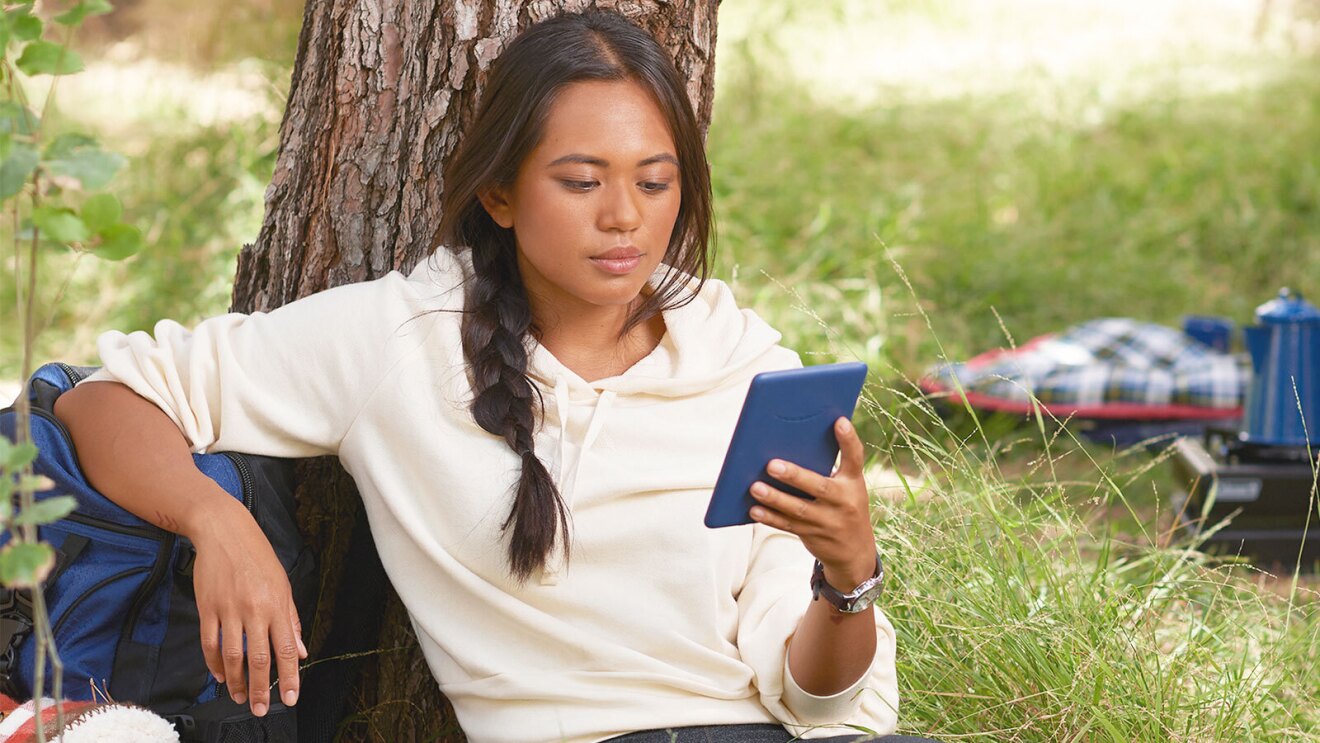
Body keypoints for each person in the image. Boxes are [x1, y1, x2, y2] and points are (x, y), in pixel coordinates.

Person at [53, 11, 936, 743]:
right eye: (581, 181)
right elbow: (108, 398)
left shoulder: (747, 370)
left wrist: (847, 577)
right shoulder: (403, 340)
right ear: (501, 194)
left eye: (655, 182)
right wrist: (215, 520)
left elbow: (817, 700)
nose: (625, 216)